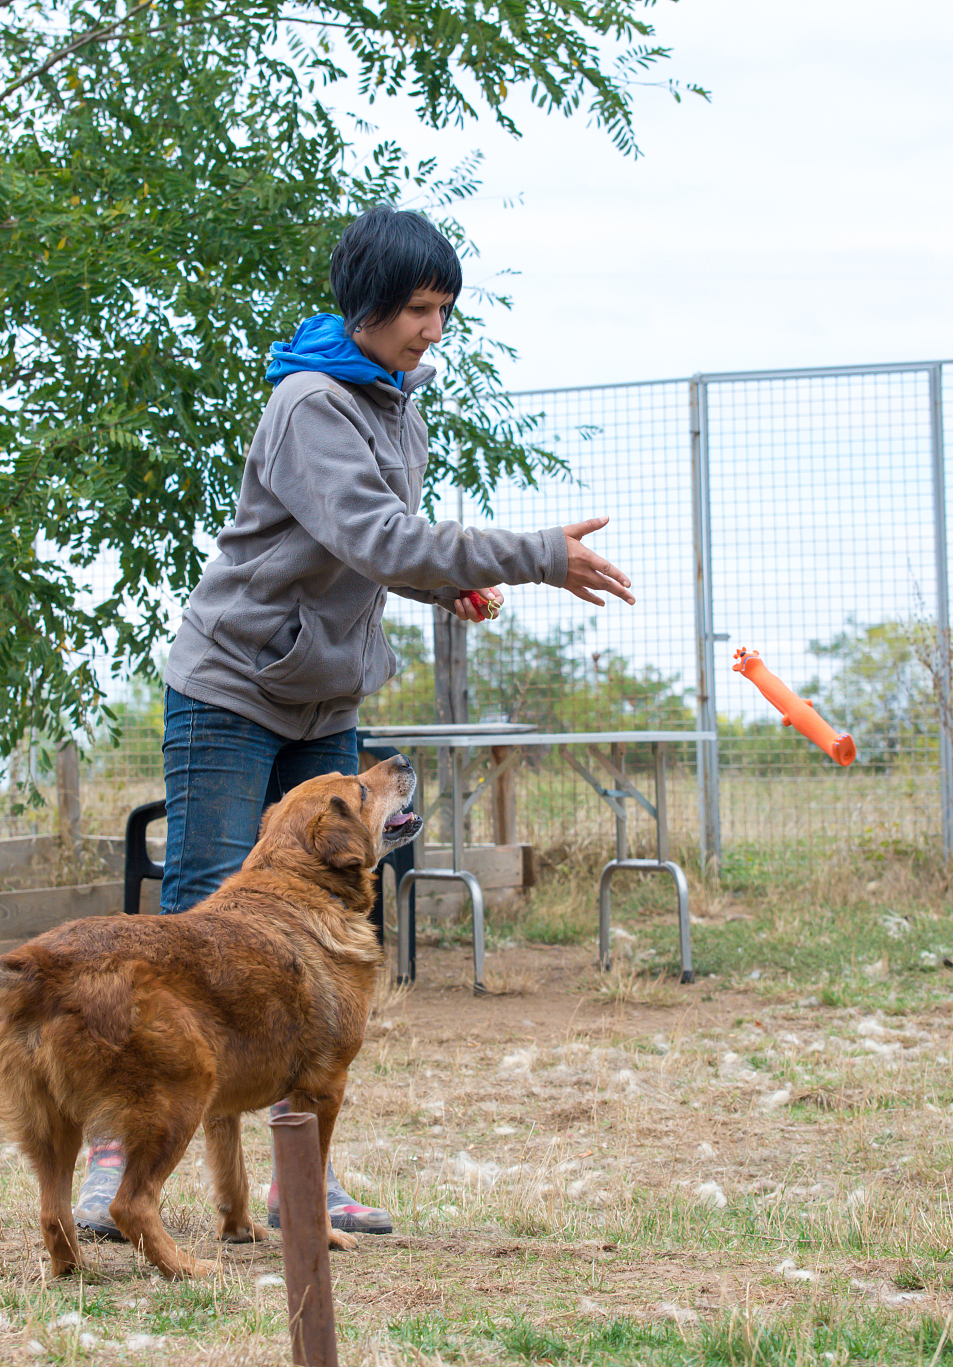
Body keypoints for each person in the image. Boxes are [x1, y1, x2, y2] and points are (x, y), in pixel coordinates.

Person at [74, 204, 635, 1241]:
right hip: (233, 687)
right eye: (419, 308)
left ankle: (300, 1175)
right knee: (198, 922)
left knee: (321, 944)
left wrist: (440, 586)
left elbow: (377, 549)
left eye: (443, 310)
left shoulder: (395, 403)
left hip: (323, 694)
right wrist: (532, 553)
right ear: (368, 305)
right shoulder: (309, 402)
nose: (433, 329)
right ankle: (112, 1149)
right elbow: (380, 532)